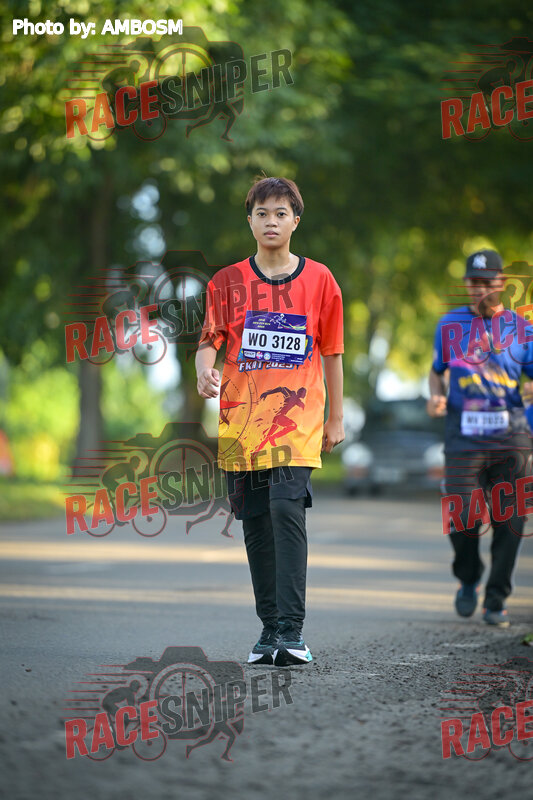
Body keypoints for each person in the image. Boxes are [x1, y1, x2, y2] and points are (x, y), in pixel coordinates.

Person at [195, 176, 344, 665]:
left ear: (295, 221)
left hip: (298, 423)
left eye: (281, 213)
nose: (271, 222)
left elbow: (332, 352)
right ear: (250, 221)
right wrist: (203, 368)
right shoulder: (227, 282)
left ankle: (293, 632)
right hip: (241, 424)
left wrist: (336, 418)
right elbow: (209, 340)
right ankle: (269, 630)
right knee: (256, 522)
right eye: (262, 213)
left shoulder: (320, 280)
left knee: (285, 509)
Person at [427, 249, 533, 627]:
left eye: (487, 282)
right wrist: (436, 396)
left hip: (511, 436)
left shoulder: (521, 329)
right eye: (473, 282)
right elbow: (436, 371)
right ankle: (469, 577)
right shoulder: (449, 325)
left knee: (512, 518)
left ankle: (496, 598)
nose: (479, 289)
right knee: (461, 513)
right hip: (463, 436)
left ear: (501, 283)